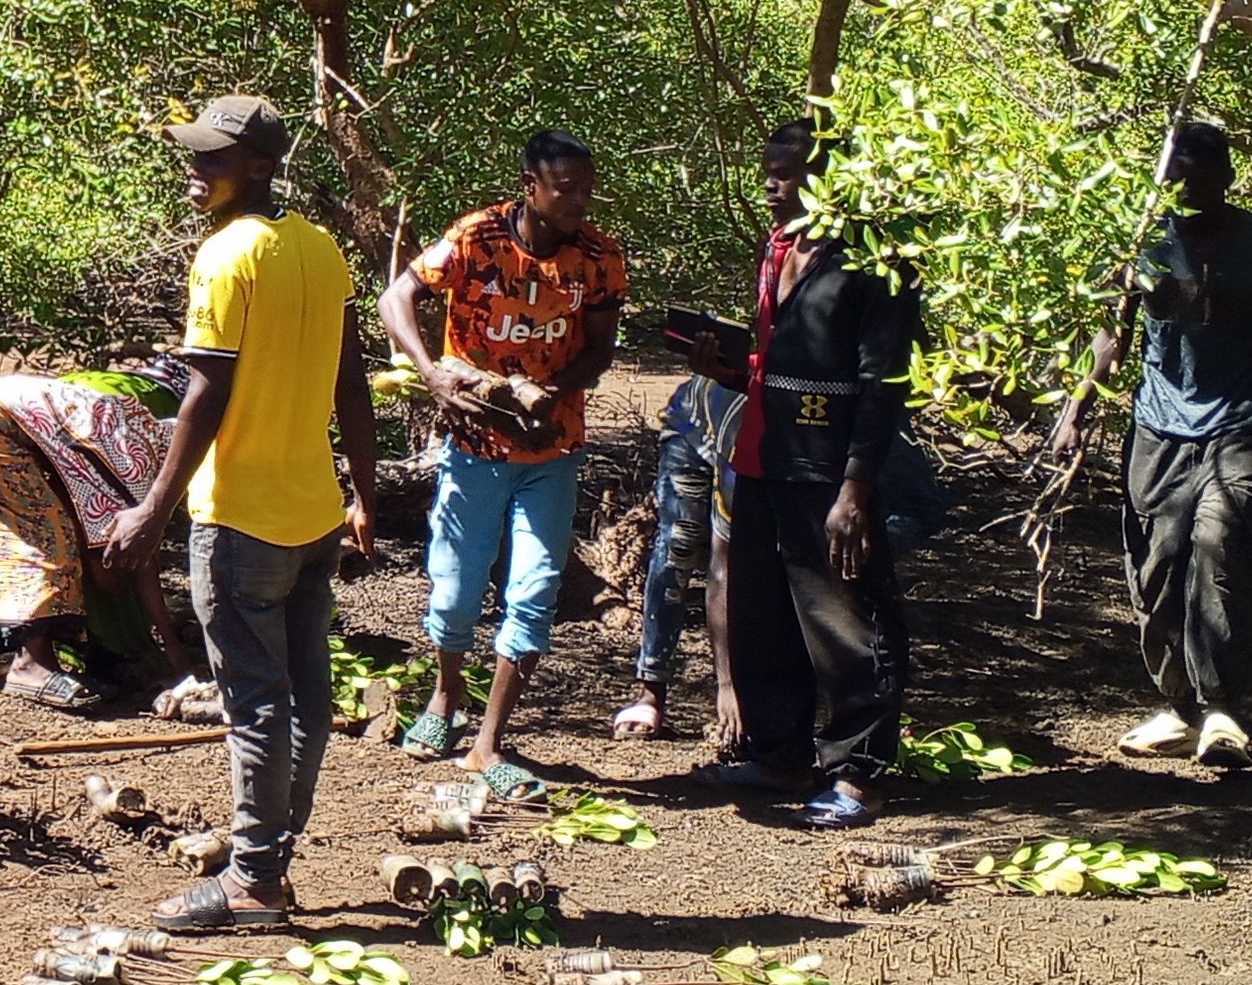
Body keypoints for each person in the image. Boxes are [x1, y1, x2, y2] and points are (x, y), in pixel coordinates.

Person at [97, 98, 378, 929]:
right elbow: (352, 386)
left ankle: (253, 880)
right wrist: (362, 492)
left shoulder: (227, 257)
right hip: (312, 512)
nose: (195, 169)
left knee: (257, 701)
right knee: (306, 697)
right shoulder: (321, 250)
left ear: (258, 167)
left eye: (212, 158)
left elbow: (205, 393)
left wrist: (153, 507)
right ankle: (270, 859)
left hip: (241, 518)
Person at [378, 129, 626, 787]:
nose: (578, 203)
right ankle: (447, 693)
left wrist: (555, 391)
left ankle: (489, 742)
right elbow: (395, 299)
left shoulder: (599, 257)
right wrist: (432, 375)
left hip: (552, 448)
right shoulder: (475, 240)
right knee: (456, 592)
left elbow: (602, 346)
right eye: (564, 189)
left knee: (535, 590)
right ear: (531, 186)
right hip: (474, 446)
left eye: (585, 190)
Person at [711, 120, 916, 830]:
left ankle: (860, 775)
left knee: (848, 618)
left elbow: (884, 378)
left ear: (831, 178)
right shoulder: (779, 248)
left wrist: (856, 486)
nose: (772, 183)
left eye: (791, 171)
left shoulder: (876, 260)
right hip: (764, 456)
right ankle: (782, 754)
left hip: (828, 468)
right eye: (768, 169)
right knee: (763, 616)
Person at [1121, 119, 1252, 763]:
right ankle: (1175, 706)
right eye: (1177, 172)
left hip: (1242, 417)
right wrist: (1078, 404)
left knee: (1219, 547)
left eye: (1202, 170)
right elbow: (1111, 333)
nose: (1189, 183)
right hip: (1159, 422)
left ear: (1227, 175)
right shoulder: (1143, 239)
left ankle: (1223, 708)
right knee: (1159, 559)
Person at [0, 372, 189, 707]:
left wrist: (168, 643)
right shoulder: (139, 463)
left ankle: (52, 654)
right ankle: (31, 666)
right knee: (47, 536)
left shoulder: (141, 431)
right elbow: (108, 570)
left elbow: (136, 555)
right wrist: (170, 651)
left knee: (9, 536)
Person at [614, 369, 740, 740]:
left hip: (750, 440)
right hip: (694, 425)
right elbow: (722, 565)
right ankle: (650, 688)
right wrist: (726, 686)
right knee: (678, 548)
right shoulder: (739, 436)